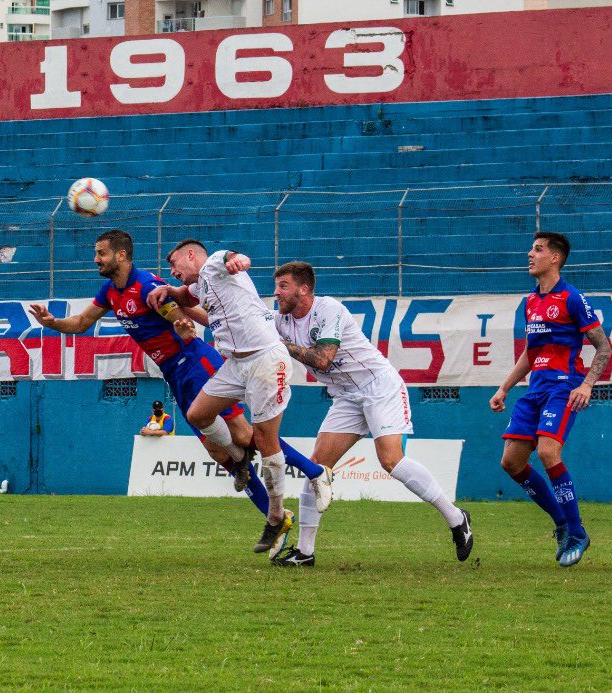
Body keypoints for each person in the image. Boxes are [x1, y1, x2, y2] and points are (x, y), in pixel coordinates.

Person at [28, 230, 271, 519]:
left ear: (121, 255)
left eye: (101, 253)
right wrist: (52, 322)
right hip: (174, 374)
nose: (96, 259)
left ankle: (302, 477)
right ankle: (271, 513)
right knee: (220, 454)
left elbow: (178, 313)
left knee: (243, 435)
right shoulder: (109, 291)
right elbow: (82, 322)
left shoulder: (145, 284)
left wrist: (188, 326)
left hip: (195, 363)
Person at [271, 261, 473, 567]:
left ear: (304, 289)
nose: (276, 293)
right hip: (347, 397)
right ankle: (305, 552)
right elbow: (241, 325)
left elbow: (324, 360)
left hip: (379, 386)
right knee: (316, 468)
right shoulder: (281, 320)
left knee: (390, 460)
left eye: (283, 286)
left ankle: (457, 518)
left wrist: (283, 346)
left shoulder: (329, 310)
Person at [148, 241, 332, 557]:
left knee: (265, 439)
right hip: (236, 365)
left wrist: (239, 261)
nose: (174, 271)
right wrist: (168, 290)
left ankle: (276, 514)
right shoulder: (204, 284)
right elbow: (188, 298)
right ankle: (238, 455)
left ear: (192, 255)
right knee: (198, 415)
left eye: (175, 263)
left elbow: (237, 258)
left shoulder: (216, 263)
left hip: (265, 360)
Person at [491, 232, 611, 568]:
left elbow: (604, 346)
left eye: (538, 249)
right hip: (535, 391)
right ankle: (562, 524)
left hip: (564, 386)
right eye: (532, 248)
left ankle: (576, 531)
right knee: (512, 463)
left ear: (555, 258)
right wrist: (504, 388)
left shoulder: (572, 297)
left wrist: (587, 385)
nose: (530, 254)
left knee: (547, 451)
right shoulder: (531, 302)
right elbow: (531, 353)